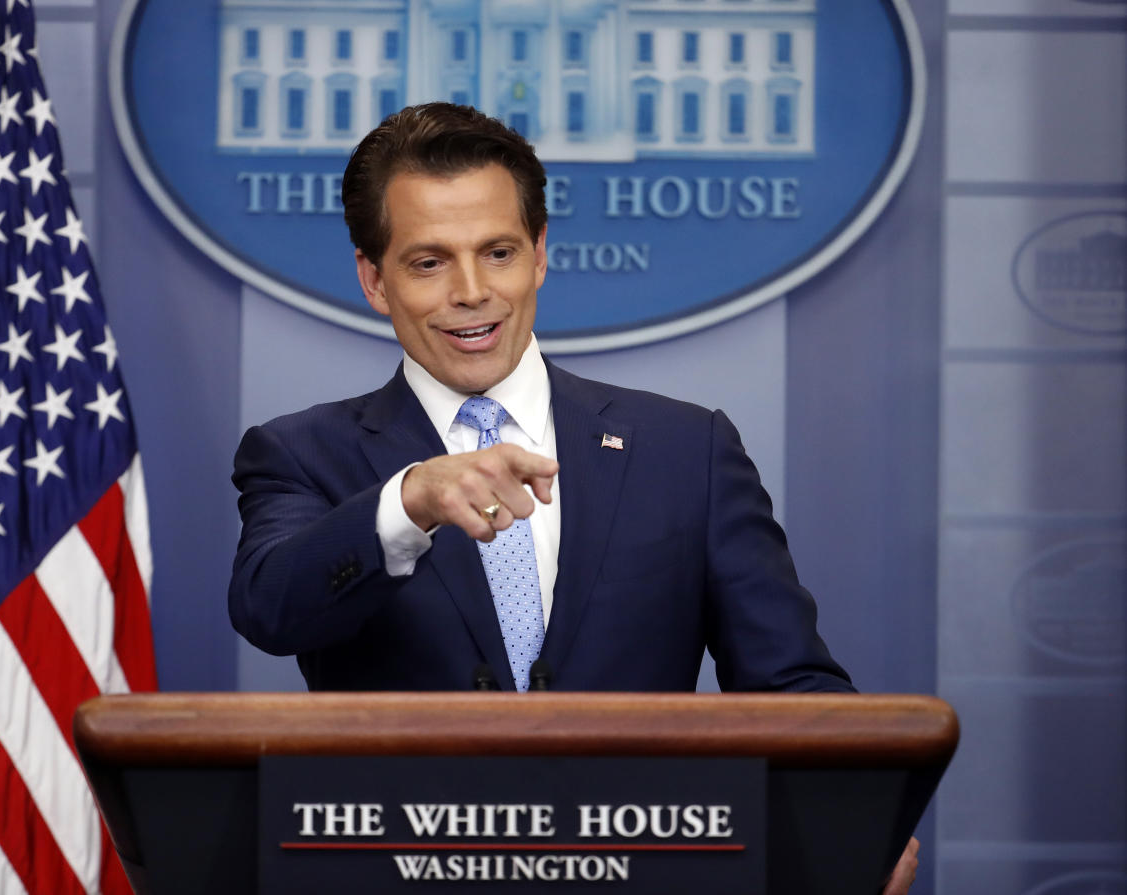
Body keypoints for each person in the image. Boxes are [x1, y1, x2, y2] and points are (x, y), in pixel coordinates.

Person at [229, 101, 918, 894]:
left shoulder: (685, 449)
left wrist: (854, 811)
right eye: (428, 262)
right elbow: (269, 605)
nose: (472, 291)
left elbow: (790, 685)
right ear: (374, 280)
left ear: (540, 255)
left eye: (498, 252)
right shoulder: (301, 452)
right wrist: (410, 499)